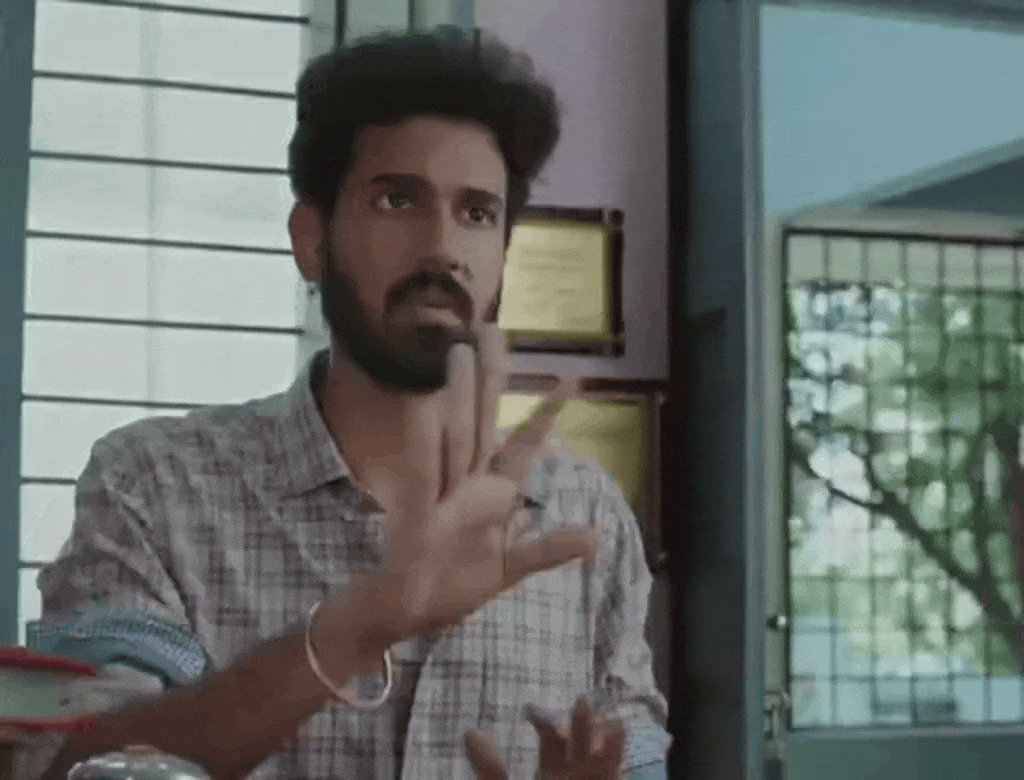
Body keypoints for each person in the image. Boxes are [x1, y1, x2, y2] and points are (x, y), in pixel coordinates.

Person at [28, 28, 671, 779]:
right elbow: (70, 759)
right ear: (312, 239)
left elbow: (635, 759)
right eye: (397, 199)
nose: (441, 247)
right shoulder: (153, 487)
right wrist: (364, 622)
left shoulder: (585, 517)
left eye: (477, 213)